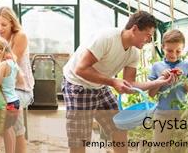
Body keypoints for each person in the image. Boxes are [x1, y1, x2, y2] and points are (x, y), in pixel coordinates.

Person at [62, 11, 173, 153]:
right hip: (77, 84)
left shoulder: (133, 53)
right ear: (134, 29)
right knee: (79, 138)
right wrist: (113, 82)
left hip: (100, 86)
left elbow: (130, 84)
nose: (148, 40)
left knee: (119, 126)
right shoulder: (106, 38)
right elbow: (81, 69)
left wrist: (158, 82)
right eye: (148, 35)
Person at [0, 6, 34, 153]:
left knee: (11, 116)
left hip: (22, 88)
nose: (0, 28)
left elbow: (12, 65)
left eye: (4, 24)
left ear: (12, 23)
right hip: (6, 88)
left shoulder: (19, 36)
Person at [148, 29, 188, 153]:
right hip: (162, 114)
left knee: (183, 147)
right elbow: (151, 94)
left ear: (183, 48)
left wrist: (183, 79)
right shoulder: (157, 67)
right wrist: (160, 80)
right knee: (159, 148)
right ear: (163, 47)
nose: (173, 54)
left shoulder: (187, 66)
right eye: (169, 50)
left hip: (182, 114)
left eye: (178, 51)